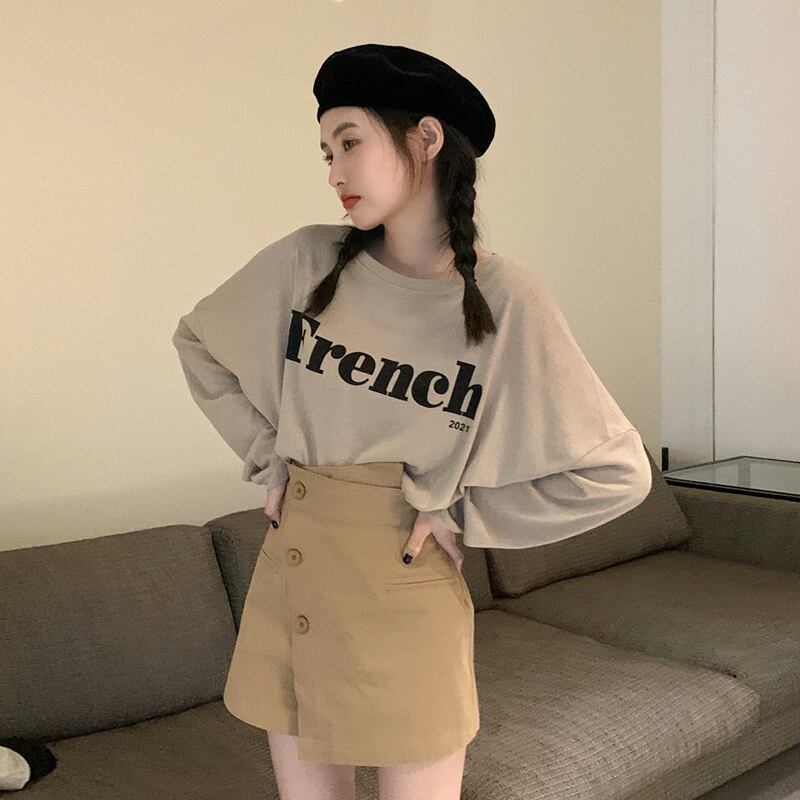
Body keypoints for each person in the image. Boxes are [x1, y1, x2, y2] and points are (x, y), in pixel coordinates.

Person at [172, 43, 652, 800]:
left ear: (425, 138)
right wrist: (269, 459)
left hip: (406, 596)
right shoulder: (306, 261)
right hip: (294, 579)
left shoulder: (506, 299)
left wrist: (464, 510)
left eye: (350, 143)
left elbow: (618, 472)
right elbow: (198, 343)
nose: (334, 171)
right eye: (326, 152)